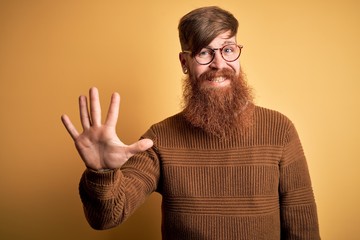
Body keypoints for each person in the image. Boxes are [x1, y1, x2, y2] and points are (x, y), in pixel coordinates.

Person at [61, 6, 320, 240]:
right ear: (185, 63)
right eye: (203, 53)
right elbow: (107, 218)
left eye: (228, 49)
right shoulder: (159, 138)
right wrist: (103, 173)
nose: (219, 64)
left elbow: (303, 229)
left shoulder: (279, 129)